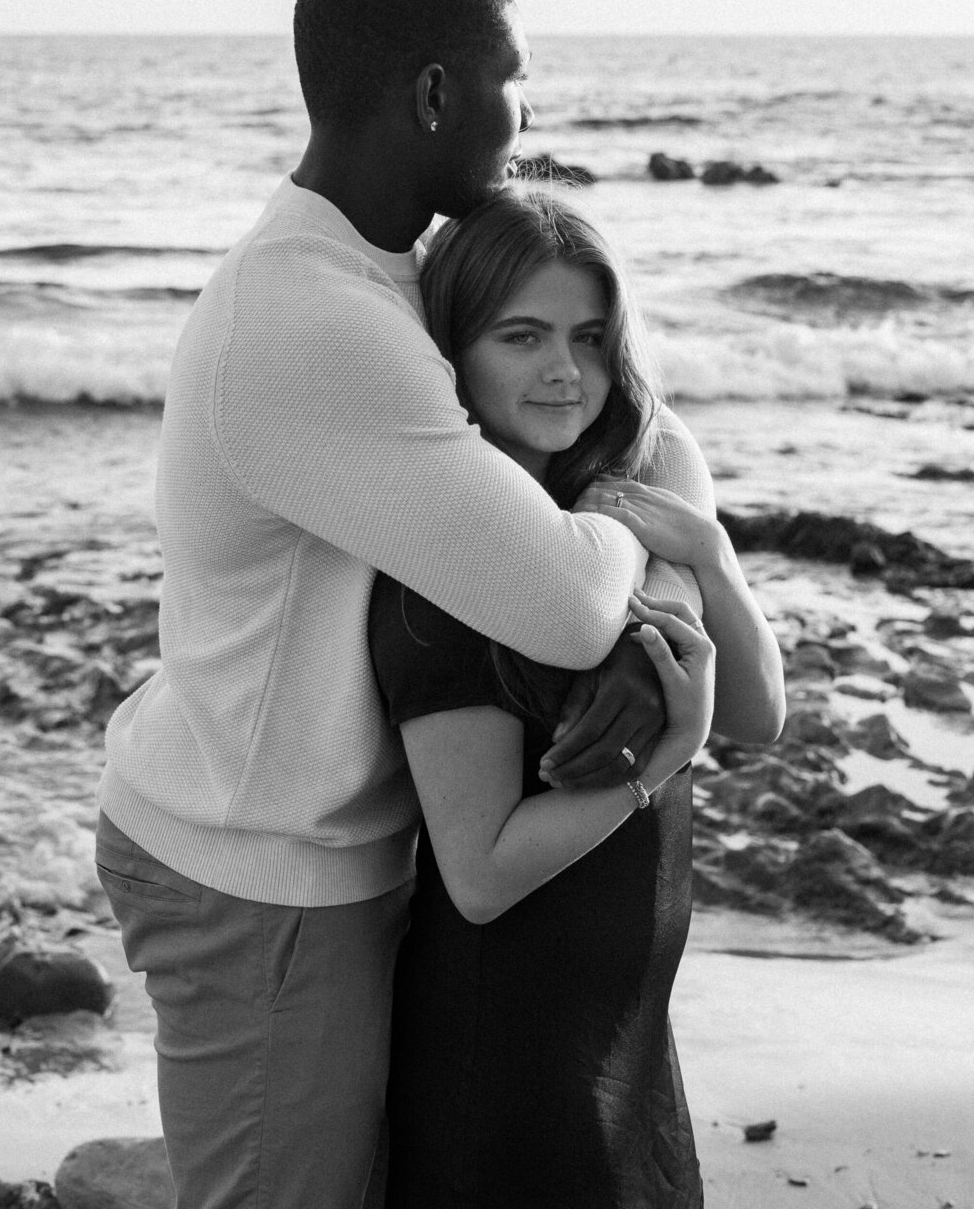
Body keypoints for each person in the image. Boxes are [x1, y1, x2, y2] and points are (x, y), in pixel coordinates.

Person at [94, 0, 722, 1209]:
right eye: (514, 80)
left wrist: (660, 583)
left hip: (321, 854)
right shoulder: (312, 315)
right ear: (437, 94)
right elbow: (558, 598)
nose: (528, 113)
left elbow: (632, 443)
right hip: (257, 871)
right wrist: (643, 556)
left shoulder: (384, 273)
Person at [370, 190, 785, 1209]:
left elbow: (761, 718)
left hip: (625, 1032)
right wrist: (661, 757)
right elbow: (480, 873)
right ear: (452, 353)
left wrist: (712, 556)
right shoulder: (451, 571)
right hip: (511, 1049)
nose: (566, 371)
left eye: (591, 339)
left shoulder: (609, 523)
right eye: (524, 337)